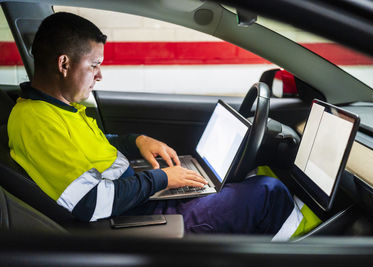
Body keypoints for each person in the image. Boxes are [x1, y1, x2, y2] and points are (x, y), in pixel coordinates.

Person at [7, 12, 299, 238]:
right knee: (267, 193)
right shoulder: (35, 121)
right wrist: (163, 180)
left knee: (245, 184)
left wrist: (136, 140)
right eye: (94, 65)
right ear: (64, 64)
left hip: (133, 197)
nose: (100, 76)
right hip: (129, 219)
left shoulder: (59, 109)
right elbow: (90, 203)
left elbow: (91, 150)